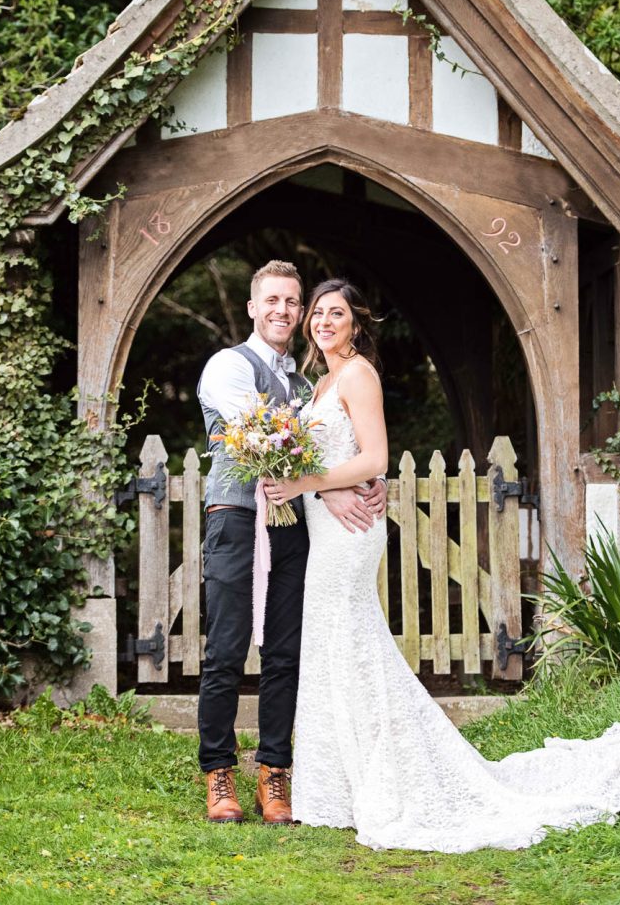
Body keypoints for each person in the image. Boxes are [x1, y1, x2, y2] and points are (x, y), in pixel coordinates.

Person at [263, 278, 620, 853]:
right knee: (334, 644)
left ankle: (381, 779)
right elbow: (344, 457)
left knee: (347, 639)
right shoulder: (321, 380)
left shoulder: (357, 374)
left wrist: (304, 483)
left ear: (357, 323)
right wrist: (313, 484)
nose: (324, 322)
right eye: (319, 314)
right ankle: (334, 785)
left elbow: (375, 457)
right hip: (329, 524)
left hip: (351, 533)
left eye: (337, 313)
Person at [196, 260, 387, 825]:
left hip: (294, 528)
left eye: (291, 302)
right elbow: (258, 440)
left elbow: (334, 445)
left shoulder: (311, 383)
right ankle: (219, 775)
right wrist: (326, 489)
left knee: (284, 653)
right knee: (227, 649)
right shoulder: (227, 367)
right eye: (272, 301)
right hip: (236, 516)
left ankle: (275, 775)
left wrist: (364, 482)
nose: (283, 311)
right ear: (254, 307)